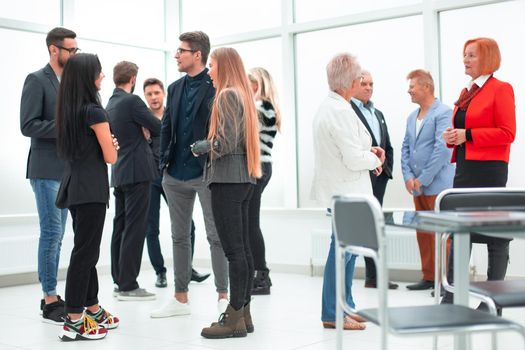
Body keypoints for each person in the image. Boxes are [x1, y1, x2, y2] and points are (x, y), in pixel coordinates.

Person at [152, 31, 228, 318]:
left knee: (215, 236)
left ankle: (223, 296)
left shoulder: (217, 87)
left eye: (181, 51)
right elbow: (166, 129)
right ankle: (180, 298)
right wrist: (163, 167)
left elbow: (223, 130)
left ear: (197, 54)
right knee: (178, 237)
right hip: (174, 175)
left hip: (206, 172)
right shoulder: (174, 87)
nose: (176, 55)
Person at [311, 53, 384, 331]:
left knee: (347, 251)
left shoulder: (335, 106)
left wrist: (370, 152)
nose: (362, 81)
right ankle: (333, 312)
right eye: (359, 78)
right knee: (342, 251)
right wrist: (376, 159)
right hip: (346, 191)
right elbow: (353, 160)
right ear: (350, 82)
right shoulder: (339, 111)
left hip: (342, 189)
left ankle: (345, 306)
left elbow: (353, 148)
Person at [441, 38, 516, 309]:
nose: (465, 59)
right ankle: (450, 296)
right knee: (459, 231)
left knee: (493, 233)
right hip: (465, 169)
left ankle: (492, 300)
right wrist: (453, 137)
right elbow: (462, 131)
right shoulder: (467, 92)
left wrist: (467, 134)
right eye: (464, 55)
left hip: (490, 170)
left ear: (487, 58)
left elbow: (508, 133)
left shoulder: (501, 89)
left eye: (471, 55)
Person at [194, 47, 261, 339]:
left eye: (212, 65)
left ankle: (233, 316)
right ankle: (243, 313)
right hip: (243, 179)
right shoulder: (243, 96)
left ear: (225, 67)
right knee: (242, 249)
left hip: (227, 181)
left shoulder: (227, 95)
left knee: (234, 251)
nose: (209, 71)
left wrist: (202, 146)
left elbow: (225, 142)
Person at [55, 53, 119, 341]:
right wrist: (112, 143)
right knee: (85, 254)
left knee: (86, 250)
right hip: (91, 189)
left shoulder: (68, 109)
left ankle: (91, 308)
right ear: (88, 77)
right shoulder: (94, 111)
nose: (103, 76)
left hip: (74, 188)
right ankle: (74, 319)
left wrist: (105, 142)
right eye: (99, 72)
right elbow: (111, 156)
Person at [20, 27, 78, 324]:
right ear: (54, 49)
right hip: (44, 170)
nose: (74, 54)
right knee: (52, 234)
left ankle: (52, 293)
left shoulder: (68, 83)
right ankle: (50, 297)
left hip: (66, 170)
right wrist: (65, 127)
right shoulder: (36, 80)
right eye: (71, 49)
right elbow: (28, 125)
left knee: (59, 236)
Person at [142, 78, 210, 289]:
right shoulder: (142, 120)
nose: (153, 97)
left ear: (163, 94)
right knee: (151, 228)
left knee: (188, 225)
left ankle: (186, 270)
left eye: (156, 93)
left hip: (173, 175)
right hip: (152, 178)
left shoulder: (175, 114)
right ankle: (160, 273)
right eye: (149, 94)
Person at [106, 61, 160, 301]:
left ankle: (120, 280)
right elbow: (158, 127)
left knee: (121, 226)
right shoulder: (133, 101)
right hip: (138, 172)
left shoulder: (111, 102)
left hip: (119, 172)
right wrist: (145, 130)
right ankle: (129, 284)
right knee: (136, 227)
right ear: (133, 79)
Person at [401, 69, 454, 291]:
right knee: (423, 231)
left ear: (426, 87)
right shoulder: (412, 117)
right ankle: (429, 276)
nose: (409, 91)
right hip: (417, 187)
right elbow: (405, 147)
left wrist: (422, 179)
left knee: (443, 235)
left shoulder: (443, 113)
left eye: (412, 86)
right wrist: (408, 177)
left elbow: (442, 150)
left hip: (438, 185)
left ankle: (446, 280)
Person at [350, 70, 397, 290]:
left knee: (375, 225)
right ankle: (372, 275)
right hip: (361, 176)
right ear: (353, 85)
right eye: (364, 84)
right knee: (360, 226)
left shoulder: (378, 113)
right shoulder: (347, 111)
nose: (369, 87)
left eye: (371, 83)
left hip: (380, 177)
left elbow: (387, 145)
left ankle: (375, 276)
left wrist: (386, 170)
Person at [246, 67, 281, 295]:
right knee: (250, 223)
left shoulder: (260, 107)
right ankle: (259, 275)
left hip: (257, 167)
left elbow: (246, 135)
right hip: (262, 166)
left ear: (257, 86)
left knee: (250, 223)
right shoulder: (269, 107)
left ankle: (260, 276)